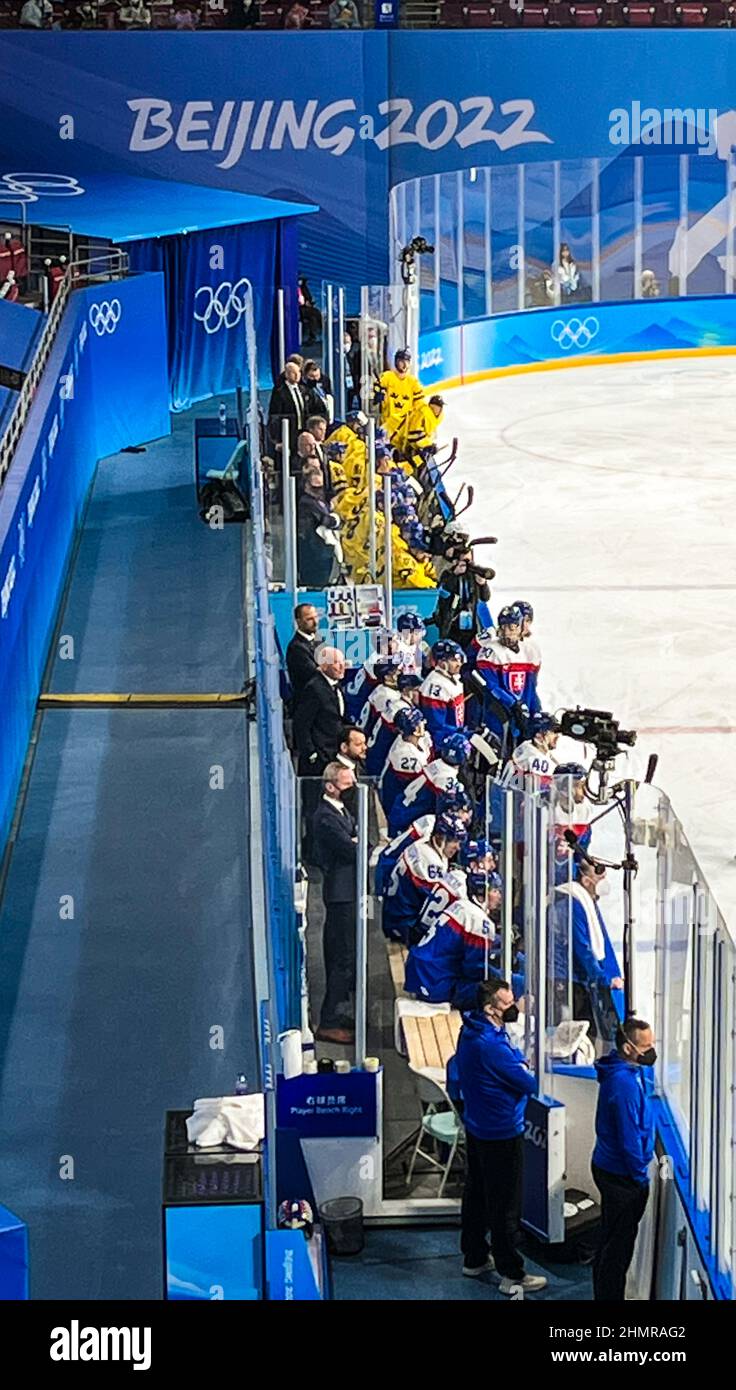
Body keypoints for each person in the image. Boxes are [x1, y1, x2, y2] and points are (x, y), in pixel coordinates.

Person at [455, 978, 547, 1294]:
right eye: (508, 1004)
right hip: (501, 1132)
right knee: (505, 1205)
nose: (514, 1008)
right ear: (490, 1008)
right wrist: (523, 1066)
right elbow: (529, 1083)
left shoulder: (473, 1030)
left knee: (477, 1194)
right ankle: (512, 1273)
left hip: (478, 1126)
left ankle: (475, 1256)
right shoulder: (491, 1046)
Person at [591, 1017, 656, 1301]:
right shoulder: (623, 1084)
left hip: (612, 1168)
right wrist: (639, 1175)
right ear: (629, 1048)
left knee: (611, 1238)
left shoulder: (626, 1072)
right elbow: (629, 1137)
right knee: (617, 1247)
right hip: (621, 1175)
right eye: (646, 1046)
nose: (651, 1051)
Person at [311, 763, 360, 1045]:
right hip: (339, 894)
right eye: (346, 783)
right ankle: (329, 1019)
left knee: (347, 956)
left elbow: (356, 837)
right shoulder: (326, 817)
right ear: (330, 786)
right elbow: (350, 848)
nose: (352, 789)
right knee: (340, 957)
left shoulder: (342, 811)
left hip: (349, 890)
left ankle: (340, 1009)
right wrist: (354, 843)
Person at [405, 871, 503, 1011]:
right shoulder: (479, 920)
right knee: (495, 991)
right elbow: (476, 970)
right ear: (482, 893)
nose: (499, 895)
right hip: (434, 981)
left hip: (419, 969)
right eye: (495, 890)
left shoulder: (460, 905)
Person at [555, 860, 624, 1043]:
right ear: (586, 881)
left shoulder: (584, 901)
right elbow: (582, 948)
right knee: (582, 1034)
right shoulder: (572, 903)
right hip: (567, 981)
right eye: (599, 876)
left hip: (575, 979)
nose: (604, 881)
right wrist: (604, 978)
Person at [381, 810, 467, 946]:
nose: (458, 847)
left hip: (394, 912)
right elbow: (435, 902)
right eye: (453, 841)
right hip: (403, 923)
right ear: (439, 837)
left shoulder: (423, 845)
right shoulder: (430, 862)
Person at [474, 605, 540, 750]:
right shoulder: (490, 651)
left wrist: (535, 711)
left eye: (512, 627)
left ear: (520, 627)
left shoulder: (529, 652)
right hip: (497, 712)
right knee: (499, 749)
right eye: (503, 627)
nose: (507, 633)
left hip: (521, 711)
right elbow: (491, 686)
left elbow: (531, 687)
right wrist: (513, 704)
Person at [388, 731, 471, 837]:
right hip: (406, 820)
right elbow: (449, 805)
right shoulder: (446, 776)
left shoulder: (436, 764)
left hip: (401, 810)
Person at [293, 646, 346, 776]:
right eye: (335, 663)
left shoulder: (335, 685)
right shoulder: (314, 689)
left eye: (342, 662)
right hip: (319, 760)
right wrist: (311, 754)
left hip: (333, 753)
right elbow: (301, 724)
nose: (341, 666)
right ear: (323, 666)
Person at [433, 548, 493, 651]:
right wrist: (455, 575)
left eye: (470, 560)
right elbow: (443, 594)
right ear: (457, 561)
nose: (468, 564)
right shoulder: (448, 574)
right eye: (465, 561)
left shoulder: (473, 575)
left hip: (471, 626)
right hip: (452, 625)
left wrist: (483, 584)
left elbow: (485, 597)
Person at [379, 706, 430, 819]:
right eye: (419, 722)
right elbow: (415, 787)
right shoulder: (405, 755)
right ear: (414, 729)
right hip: (399, 804)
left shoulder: (414, 739)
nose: (423, 724)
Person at [296, 466, 341, 588]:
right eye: (314, 487)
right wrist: (335, 520)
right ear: (306, 486)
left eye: (320, 487)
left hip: (324, 553)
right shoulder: (306, 503)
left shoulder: (321, 502)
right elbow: (323, 520)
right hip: (313, 554)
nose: (318, 490)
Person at [418, 640, 466, 746]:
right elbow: (436, 727)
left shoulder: (451, 678)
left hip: (454, 737)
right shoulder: (436, 685)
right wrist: (463, 733)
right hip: (443, 744)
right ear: (441, 663)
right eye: (454, 660)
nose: (459, 664)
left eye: (459, 659)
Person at [503, 712, 560, 790]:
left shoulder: (526, 749)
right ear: (539, 735)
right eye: (553, 732)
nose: (557, 736)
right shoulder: (533, 758)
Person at [378, 348, 424, 438]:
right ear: (396, 362)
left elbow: (420, 403)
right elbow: (377, 387)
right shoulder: (387, 377)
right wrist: (378, 393)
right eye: (401, 361)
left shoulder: (413, 382)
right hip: (388, 423)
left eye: (406, 361)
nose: (404, 364)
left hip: (405, 424)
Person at [268, 360, 306, 455]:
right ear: (287, 374)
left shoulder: (303, 390)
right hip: (288, 432)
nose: (297, 375)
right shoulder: (279, 392)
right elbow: (275, 415)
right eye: (294, 373)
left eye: (299, 372)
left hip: (302, 430)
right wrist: (277, 439)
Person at [285, 603, 320, 702]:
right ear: (298, 622)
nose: (315, 622)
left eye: (316, 617)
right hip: (308, 704)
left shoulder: (317, 640)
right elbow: (314, 674)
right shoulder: (296, 648)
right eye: (309, 619)